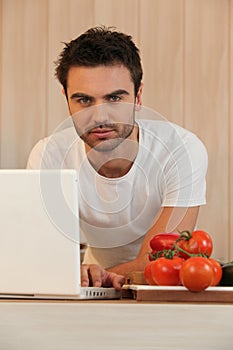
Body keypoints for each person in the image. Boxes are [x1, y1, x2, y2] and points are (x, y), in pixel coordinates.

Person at [27, 26, 208, 290]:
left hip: (155, 289)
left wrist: (92, 279)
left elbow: (159, 259)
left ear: (138, 96)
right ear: (66, 98)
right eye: (84, 100)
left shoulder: (181, 149)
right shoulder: (49, 155)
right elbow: (43, 254)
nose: (100, 117)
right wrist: (79, 274)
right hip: (89, 289)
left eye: (114, 98)